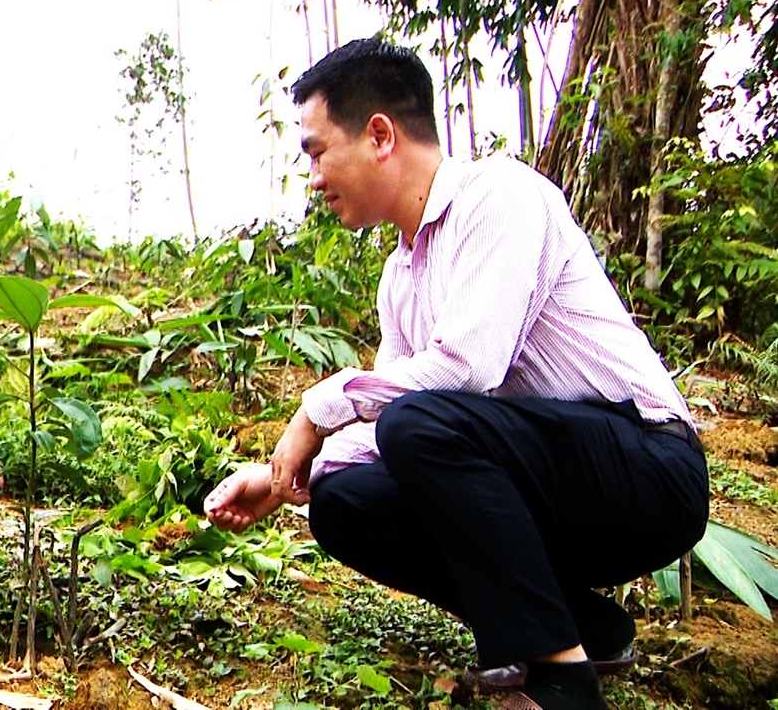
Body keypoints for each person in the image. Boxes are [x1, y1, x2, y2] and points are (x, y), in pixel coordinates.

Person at [203, 39, 708, 710]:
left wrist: (316, 409)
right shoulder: (400, 275)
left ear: (379, 134)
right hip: (545, 484)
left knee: (423, 419)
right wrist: (277, 478)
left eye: (318, 151)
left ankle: (559, 679)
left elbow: (465, 371)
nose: (315, 177)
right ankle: (582, 627)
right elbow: (388, 424)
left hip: (646, 471)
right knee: (345, 502)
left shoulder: (500, 196)